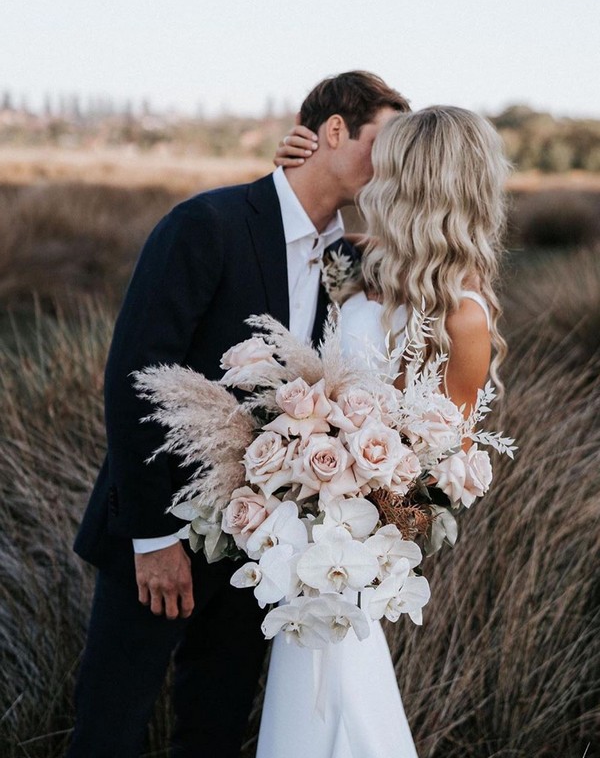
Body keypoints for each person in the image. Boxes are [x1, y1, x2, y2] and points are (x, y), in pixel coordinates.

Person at [67, 71, 410, 758]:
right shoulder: (207, 225)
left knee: (215, 735)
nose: (397, 161)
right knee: (110, 732)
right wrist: (153, 537)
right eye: (386, 142)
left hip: (261, 545)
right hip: (158, 530)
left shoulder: (351, 259)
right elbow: (136, 379)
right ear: (334, 133)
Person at [258, 105, 509, 757]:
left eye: (388, 170)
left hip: (352, 560)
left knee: (342, 718)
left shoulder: (461, 318)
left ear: (417, 187)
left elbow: (437, 485)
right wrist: (291, 173)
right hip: (303, 546)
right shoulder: (375, 267)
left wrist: (346, 504)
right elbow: (314, 232)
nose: (371, 180)